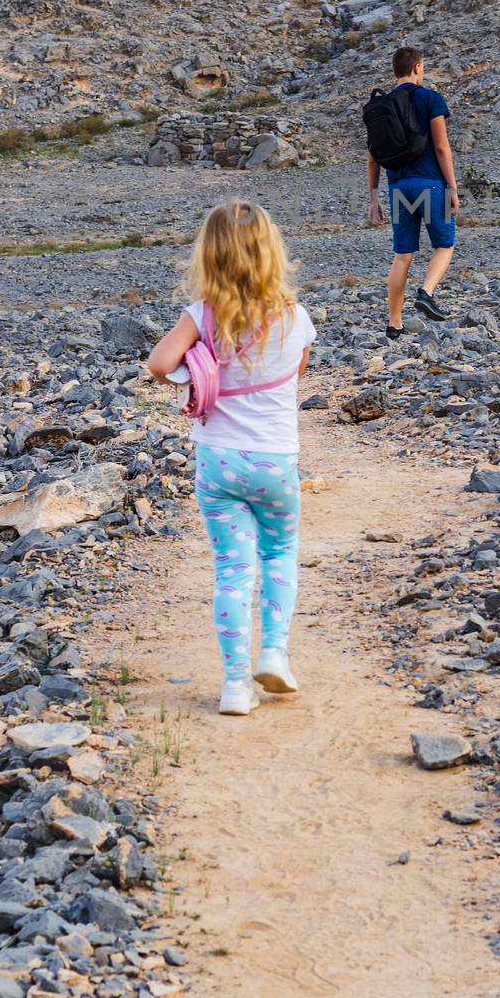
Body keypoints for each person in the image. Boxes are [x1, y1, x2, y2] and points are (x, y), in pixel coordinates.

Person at [146, 200, 315, 717]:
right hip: (275, 462)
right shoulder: (295, 317)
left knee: (231, 570)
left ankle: (235, 686)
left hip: (218, 464)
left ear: (209, 256)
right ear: (271, 253)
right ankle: (275, 654)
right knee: (279, 553)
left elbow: (159, 364)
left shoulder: (201, 316)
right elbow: (298, 372)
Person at [366, 45, 459, 338]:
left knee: (402, 255)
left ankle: (394, 325)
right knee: (445, 245)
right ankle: (426, 292)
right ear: (418, 67)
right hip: (430, 184)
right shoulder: (430, 98)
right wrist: (453, 187)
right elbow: (442, 147)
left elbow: (372, 155)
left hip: (397, 188)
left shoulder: (381, 106)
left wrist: (373, 197)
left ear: (395, 71)